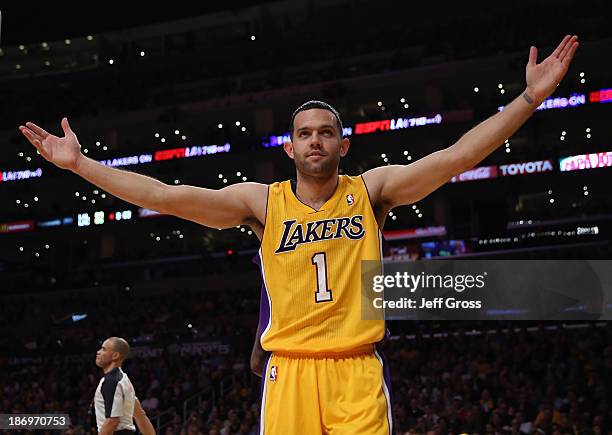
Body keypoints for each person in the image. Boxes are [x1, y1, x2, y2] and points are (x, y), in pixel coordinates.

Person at [20, 35, 578, 434]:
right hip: (288, 370)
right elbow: (163, 195)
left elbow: (457, 156)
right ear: (288, 148)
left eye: (326, 133)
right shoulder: (261, 203)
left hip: (356, 366)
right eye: (304, 134)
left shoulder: (373, 190)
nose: (315, 141)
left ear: (343, 145)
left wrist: (528, 98)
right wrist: (81, 166)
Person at [93, 337, 156, 435]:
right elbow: (140, 414)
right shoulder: (124, 379)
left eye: (104, 349)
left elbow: (112, 422)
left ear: (115, 355)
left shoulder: (111, 381)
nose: (98, 352)